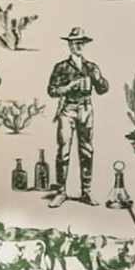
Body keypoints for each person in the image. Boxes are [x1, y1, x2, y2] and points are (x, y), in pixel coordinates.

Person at [45, 47, 107, 205]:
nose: (78, 46)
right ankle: (61, 192)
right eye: (75, 42)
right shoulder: (61, 67)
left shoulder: (91, 67)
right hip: (68, 108)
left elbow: (103, 89)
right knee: (63, 149)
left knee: (87, 149)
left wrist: (98, 79)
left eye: (81, 42)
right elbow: (51, 90)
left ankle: (86, 192)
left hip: (86, 108)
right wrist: (68, 86)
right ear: (70, 45)